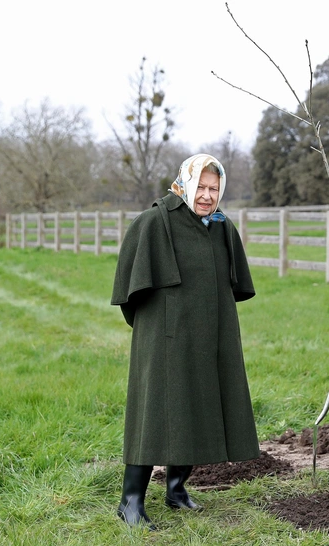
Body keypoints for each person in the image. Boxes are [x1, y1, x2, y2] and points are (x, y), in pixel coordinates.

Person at [111, 153, 259, 527]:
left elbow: (234, 283)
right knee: (154, 410)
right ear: (186, 183)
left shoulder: (221, 227)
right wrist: (157, 329)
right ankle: (131, 501)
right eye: (202, 187)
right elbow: (130, 292)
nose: (207, 195)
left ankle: (177, 489)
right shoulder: (153, 223)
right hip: (165, 335)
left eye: (214, 188)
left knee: (198, 403)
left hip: (211, 333)